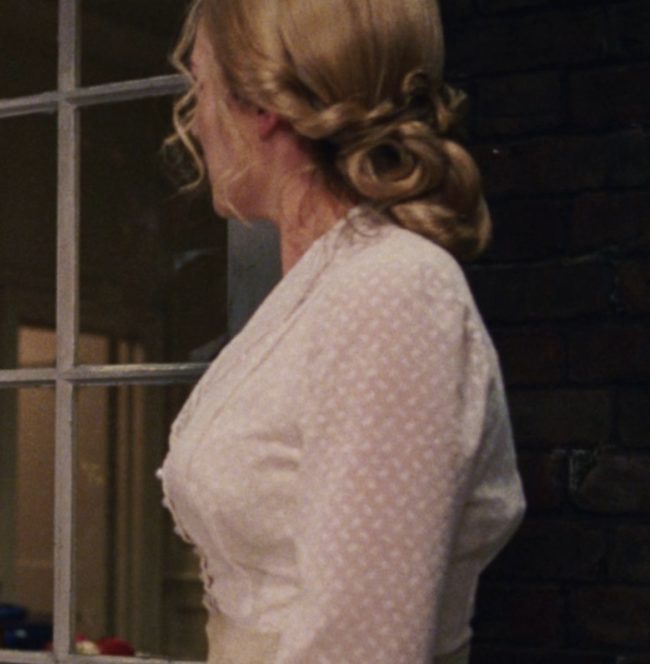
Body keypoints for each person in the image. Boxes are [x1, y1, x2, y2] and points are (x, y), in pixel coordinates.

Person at [155, 0, 525, 662]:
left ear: (262, 105)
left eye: (201, 87)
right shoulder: (324, 290)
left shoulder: (392, 290)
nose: (195, 122)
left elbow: (362, 646)